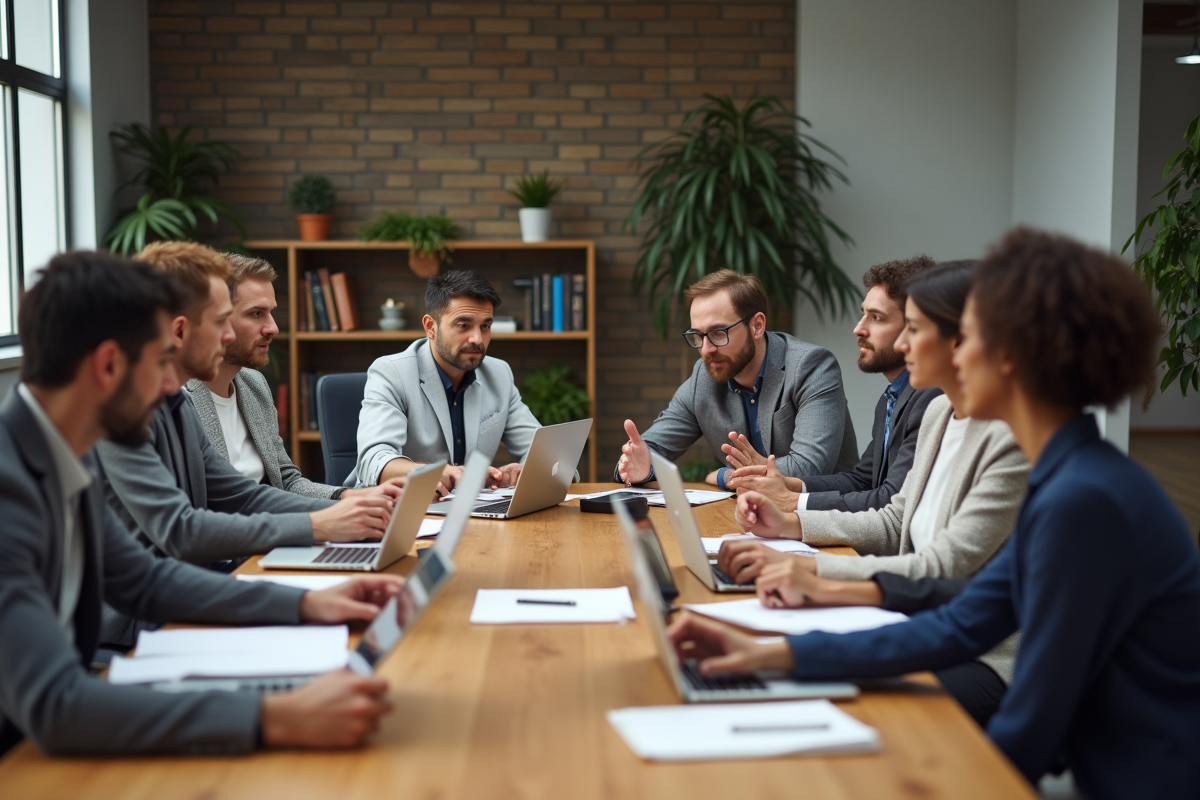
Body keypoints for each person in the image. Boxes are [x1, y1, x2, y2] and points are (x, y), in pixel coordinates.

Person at [668, 228, 1200, 799]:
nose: (946, 353)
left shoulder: (1084, 500)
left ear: (1014, 354)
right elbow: (965, 619)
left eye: (960, 336)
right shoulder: (1070, 477)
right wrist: (772, 655)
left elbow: (1034, 722)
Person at [0, 251, 399, 757]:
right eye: (161, 362)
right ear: (107, 365)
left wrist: (305, 604)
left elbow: (143, 579)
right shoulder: (10, 489)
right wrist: (271, 716)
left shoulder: (59, 458)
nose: (173, 387)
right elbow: (56, 706)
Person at [715, 261, 1028, 725]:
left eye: (912, 328)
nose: (901, 344)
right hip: (921, 625)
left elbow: (940, 569)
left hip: (985, 656)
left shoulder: (1009, 438)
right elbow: (894, 519)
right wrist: (791, 524)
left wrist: (811, 570)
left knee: (832, 701)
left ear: (963, 339)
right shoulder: (942, 412)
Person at [96, 242, 399, 574]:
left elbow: (247, 495)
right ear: (180, 329)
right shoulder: (124, 411)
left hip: (216, 571)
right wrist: (319, 526)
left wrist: (344, 504)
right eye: (225, 319)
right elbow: (180, 532)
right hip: (184, 586)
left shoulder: (178, 402)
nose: (272, 328)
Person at [726, 256, 942, 512]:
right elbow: (863, 480)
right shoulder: (890, 398)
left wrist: (794, 502)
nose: (858, 329)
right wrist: (788, 484)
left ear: (916, 327)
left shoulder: (931, 400)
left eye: (877, 318)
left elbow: (889, 499)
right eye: (863, 314)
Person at [184, 253, 404, 499]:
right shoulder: (176, 398)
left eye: (270, 312)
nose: (273, 328)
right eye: (256, 313)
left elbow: (286, 481)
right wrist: (316, 523)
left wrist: (347, 498)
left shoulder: (253, 385)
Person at [616, 269, 858, 488]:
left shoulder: (812, 366)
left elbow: (809, 469)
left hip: (821, 519)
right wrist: (639, 465)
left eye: (718, 333)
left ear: (757, 326)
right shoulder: (704, 377)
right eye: (698, 336)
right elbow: (651, 449)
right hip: (750, 516)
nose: (706, 349)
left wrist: (724, 476)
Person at [351, 269, 543, 494]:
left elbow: (542, 451)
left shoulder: (499, 373)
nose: (477, 339)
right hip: (399, 509)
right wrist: (432, 473)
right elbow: (373, 461)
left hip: (471, 508)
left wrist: (528, 470)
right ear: (430, 327)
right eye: (463, 325)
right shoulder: (392, 372)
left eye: (485, 326)